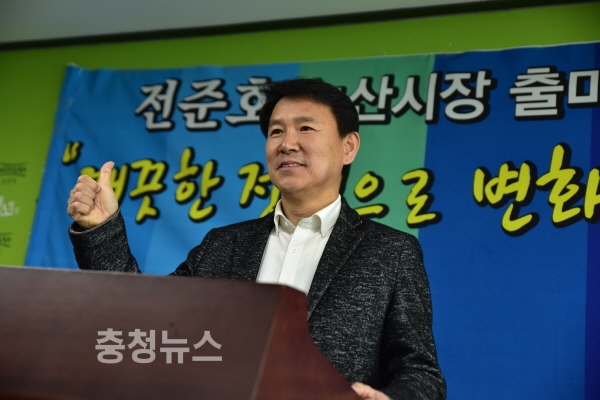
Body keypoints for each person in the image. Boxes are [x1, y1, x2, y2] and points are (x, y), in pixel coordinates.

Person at [67, 78, 446, 400]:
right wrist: (101, 229)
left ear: (348, 147)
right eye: (276, 131)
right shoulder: (223, 245)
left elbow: (420, 372)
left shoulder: (390, 252)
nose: (287, 143)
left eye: (305, 128)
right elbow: (145, 321)